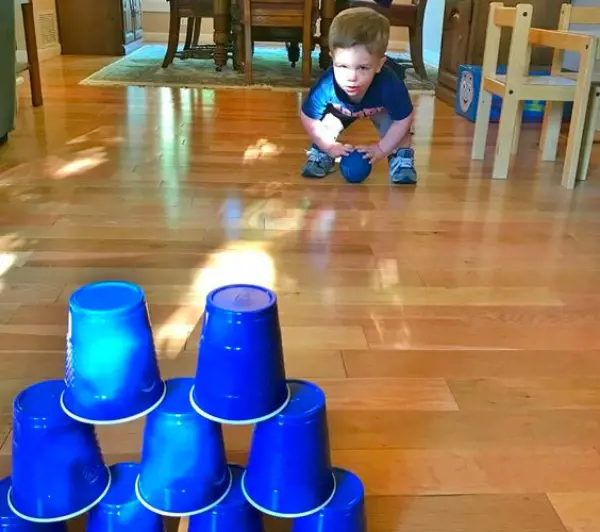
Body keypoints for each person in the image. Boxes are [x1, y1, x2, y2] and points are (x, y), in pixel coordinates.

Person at [300, 6, 417, 184]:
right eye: (342, 66)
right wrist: (329, 146)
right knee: (326, 125)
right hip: (341, 108)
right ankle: (321, 153)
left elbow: (404, 119)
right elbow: (309, 118)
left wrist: (381, 149)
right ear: (332, 58)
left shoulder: (389, 84)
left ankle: (401, 158)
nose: (351, 77)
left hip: (379, 107)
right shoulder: (326, 85)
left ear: (379, 65)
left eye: (362, 67)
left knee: (397, 129)